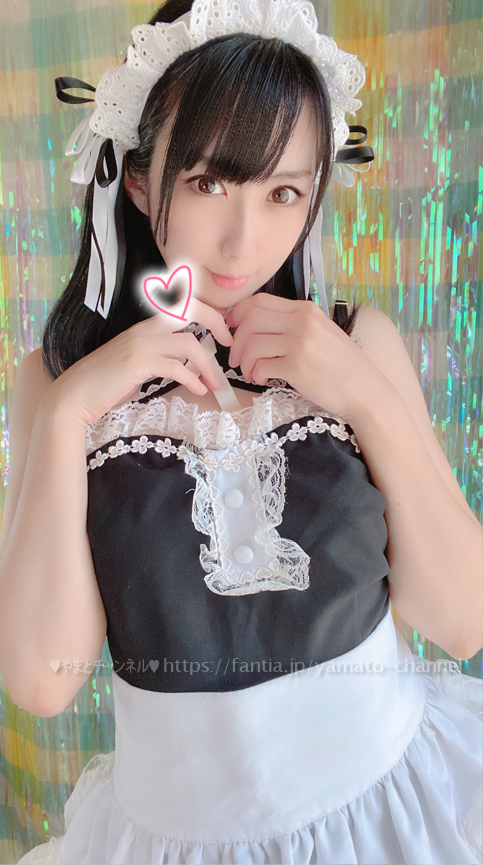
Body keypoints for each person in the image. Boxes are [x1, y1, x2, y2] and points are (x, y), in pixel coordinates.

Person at [1, 0, 481, 863]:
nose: (242, 239)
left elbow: (462, 616)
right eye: (208, 182)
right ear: (139, 180)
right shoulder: (56, 383)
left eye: (283, 192)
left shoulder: (357, 342)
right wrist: (72, 411)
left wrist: (362, 395)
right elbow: (42, 678)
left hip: (391, 813)